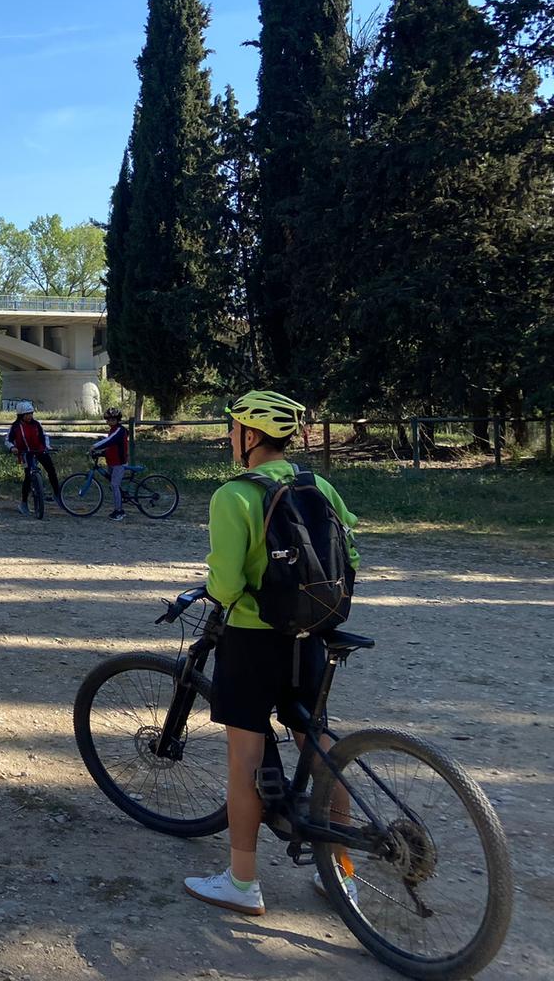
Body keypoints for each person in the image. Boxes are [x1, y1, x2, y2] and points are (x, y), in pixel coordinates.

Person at [184, 389, 361, 917]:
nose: (229, 436)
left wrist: (217, 589)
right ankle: (342, 873)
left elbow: (228, 582)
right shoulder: (320, 484)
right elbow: (349, 552)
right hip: (309, 634)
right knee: (320, 742)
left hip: (252, 637)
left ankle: (242, 883)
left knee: (245, 756)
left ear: (251, 436)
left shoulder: (233, 495)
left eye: (234, 428)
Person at [5, 400, 61, 507]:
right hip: (26, 453)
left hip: (40, 450)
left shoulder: (37, 424)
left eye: (31, 413)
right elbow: (8, 440)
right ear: (21, 415)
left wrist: (47, 446)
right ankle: (24, 502)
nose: (30, 416)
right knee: (28, 476)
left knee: (51, 470)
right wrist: (12, 448)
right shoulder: (15, 426)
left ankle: (57, 494)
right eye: (27, 414)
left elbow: (44, 436)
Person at [90, 407, 131, 522]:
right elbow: (112, 447)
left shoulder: (119, 430)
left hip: (119, 462)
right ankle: (119, 504)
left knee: (114, 485)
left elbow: (110, 441)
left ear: (116, 420)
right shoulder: (113, 430)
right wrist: (101, 453)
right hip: (112, 461)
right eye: (107, 420)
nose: (107, 422)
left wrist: (95, 446)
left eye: (109, 419)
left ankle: (119, 511)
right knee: (113, 485)